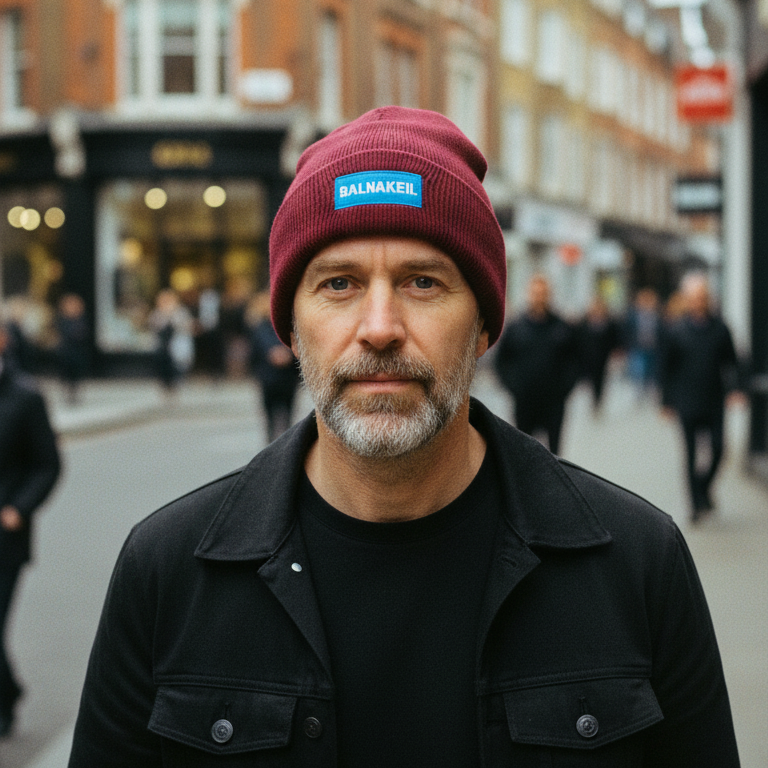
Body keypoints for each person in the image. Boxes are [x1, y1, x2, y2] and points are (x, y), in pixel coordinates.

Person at [69, 107, 739, 767]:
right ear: (291, 331)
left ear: (483, 325)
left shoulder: (637, 564)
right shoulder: (167, 572)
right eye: (339, 283)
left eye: (423, 282)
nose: (381, 326)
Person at [0, 321, 61, 737]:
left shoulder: (25, 397)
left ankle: (4, 703)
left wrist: (19, 508)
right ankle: (9, 691)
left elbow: (48, 465)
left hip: (4, 537)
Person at [658, 273, 744, 521]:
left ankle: (704, 487)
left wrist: (736, 388)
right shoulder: (677, 331)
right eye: (694, 298)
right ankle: (695, 504)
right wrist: (667, 402)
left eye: (703, 297)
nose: (699, 302)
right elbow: (666, 369)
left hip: (714, 400)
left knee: (719, 449)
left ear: (709, 299)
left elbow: (733, 361)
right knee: (691, 454)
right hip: (686, 402)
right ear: (687, 300)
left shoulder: (720, 328)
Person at [494, 275, 579, 454]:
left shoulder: (562, 327)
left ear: (549, 295)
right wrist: (514, 387)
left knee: (555, 454)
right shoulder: (517, 327)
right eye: (535, 293)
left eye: (543, 293)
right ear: (529, 294)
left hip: (554, 402)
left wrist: (564, 389)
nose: (539, 297)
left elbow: (575, 361)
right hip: (525, 401)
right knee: (523, 452)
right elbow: (502, 362)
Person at [248, 291, 300, 442]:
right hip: (268, 378)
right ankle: (273, 448)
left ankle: (287, 448)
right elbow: (256, 352)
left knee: (288, 417)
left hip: (287, 378)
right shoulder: (260, 328)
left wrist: (287, 354)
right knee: (270, 417)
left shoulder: (290, 326)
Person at [577, 296, 622, 413]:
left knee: (600, 381)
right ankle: (593, 399)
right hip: (587, 356)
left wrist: (616, 351)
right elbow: (580, 337)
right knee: (589, 380)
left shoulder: (609, 322)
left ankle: (597, 401)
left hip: (602, 356)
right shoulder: (585, 320)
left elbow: (615, 338)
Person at [149, 289, 194, 392]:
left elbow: (186, 327)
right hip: (162, 348)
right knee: (163, 368)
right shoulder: (157, 313)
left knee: (177, 368)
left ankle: (175, 386)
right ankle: (166, 386)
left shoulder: (180, 312)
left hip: (177, 347)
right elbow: (154, 327)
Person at [624, 287, 661, 398]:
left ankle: (649, 390)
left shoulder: (657, 315)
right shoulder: (633, 315)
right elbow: (627, 331)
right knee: (638, 370)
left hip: (653, 347)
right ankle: (638, 392)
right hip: (638, 347)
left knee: (651, 370)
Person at [55, 293, 89, 405]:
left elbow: (83, 334)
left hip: (77, 353)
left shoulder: (81, 319)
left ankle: (74, 394)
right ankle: (69, 394)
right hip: (66, 353)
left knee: (76, 375)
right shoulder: (62, 320)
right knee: (67, 376)